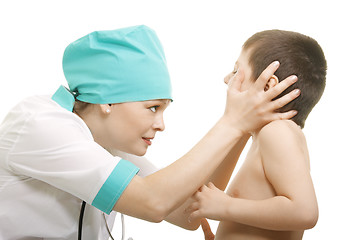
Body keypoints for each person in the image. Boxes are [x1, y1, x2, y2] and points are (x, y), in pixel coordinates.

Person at [0, 25, 300, 240]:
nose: (161, 124)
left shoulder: (108, 145)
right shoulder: (39, 123)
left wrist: (243, 128)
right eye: (152, 108)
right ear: (106, 99)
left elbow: (186, 210)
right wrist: (233, 123)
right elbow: (153, 202)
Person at [187, 29, 327, 240]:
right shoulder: (265, 136)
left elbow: (304, 211)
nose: (227, 79)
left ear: (268, 86)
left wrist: (226, 206)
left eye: (236, 72)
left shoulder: (277, 132)